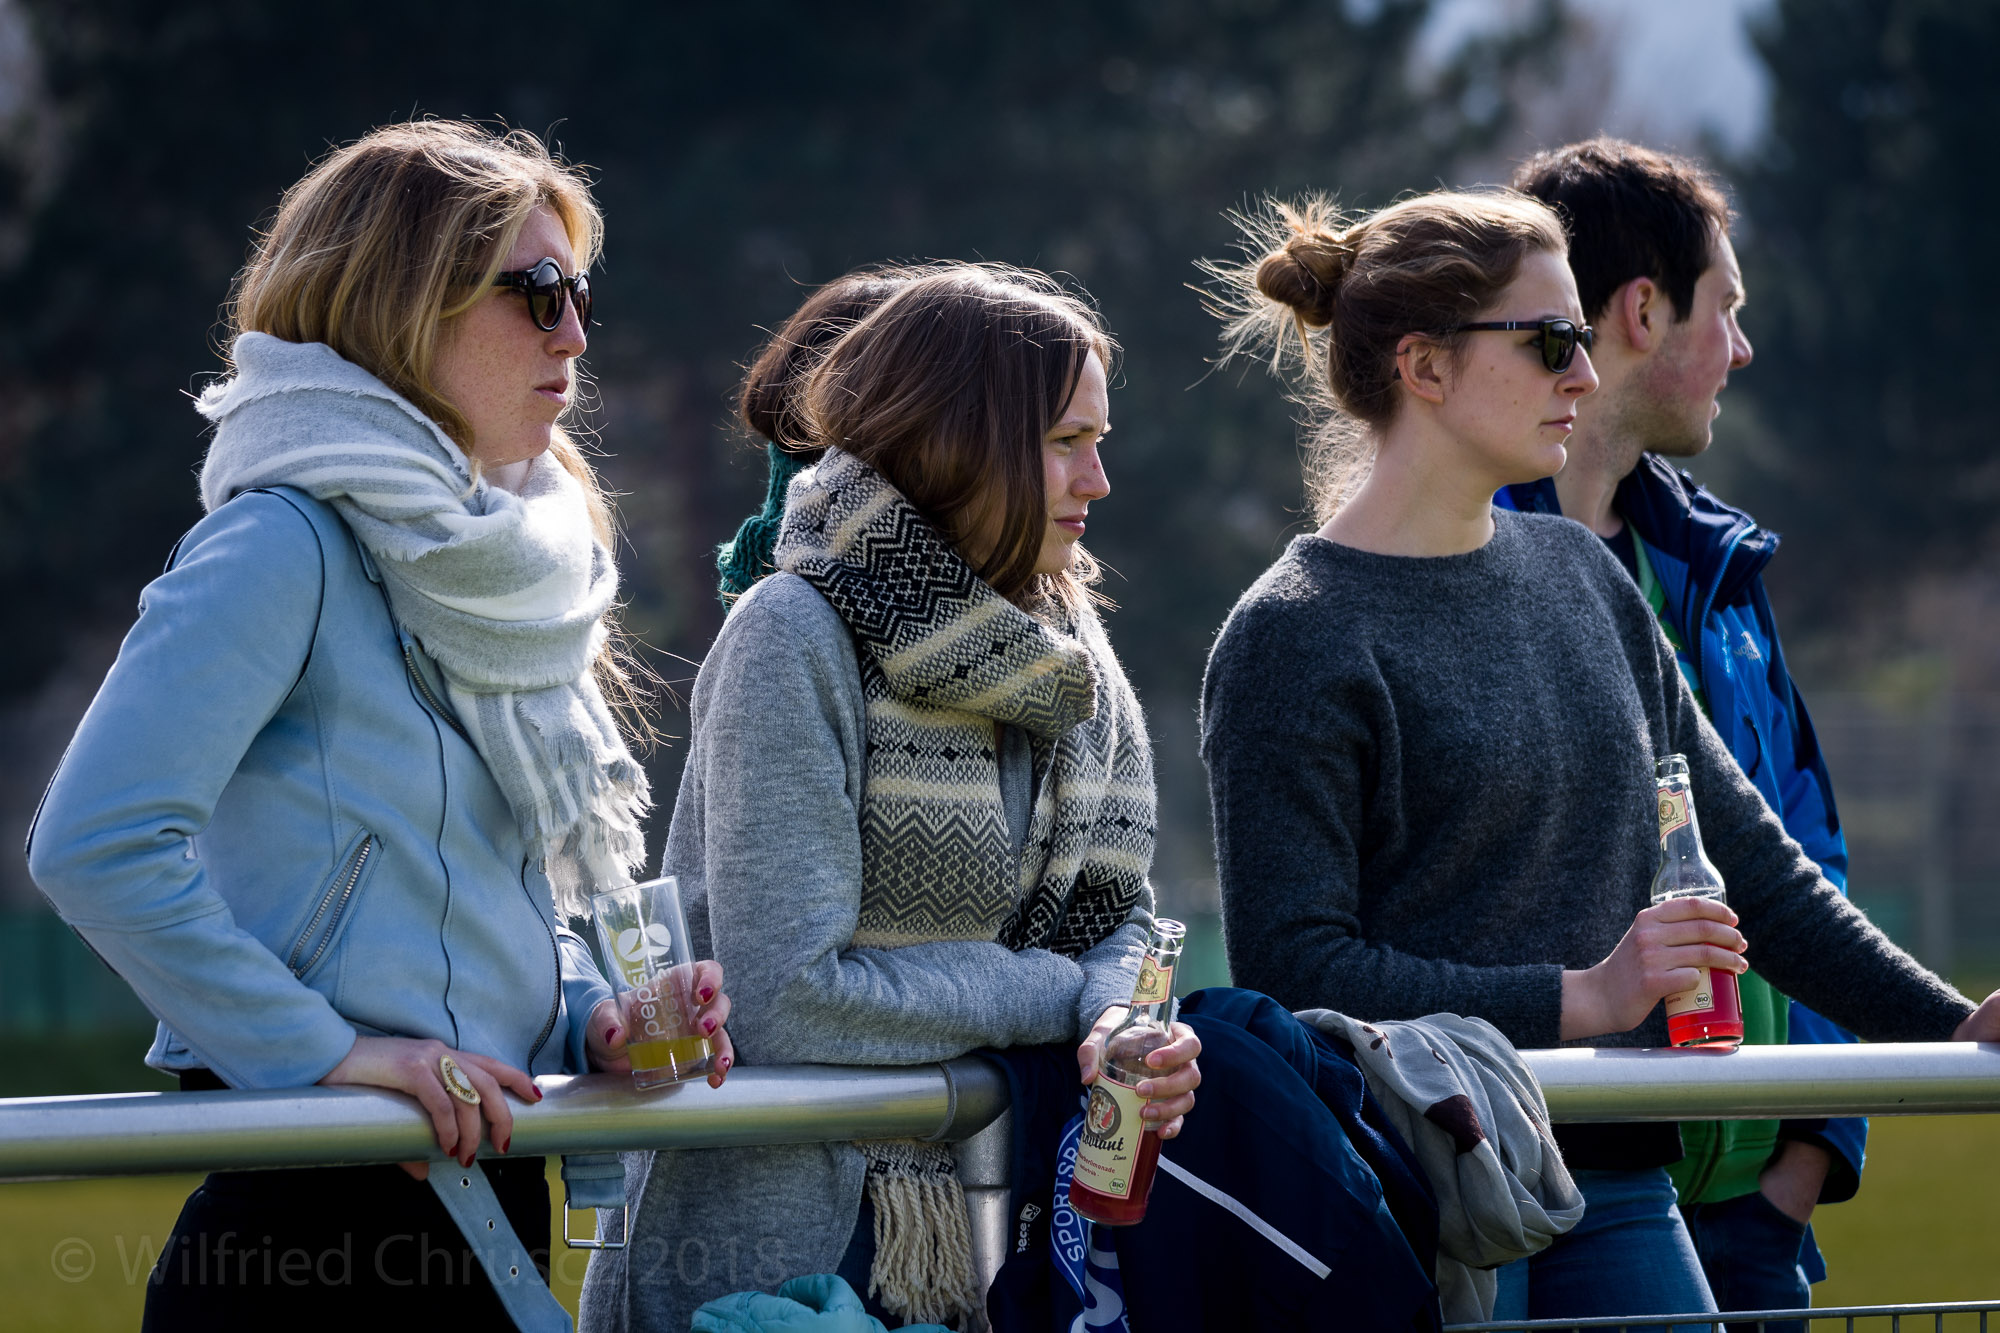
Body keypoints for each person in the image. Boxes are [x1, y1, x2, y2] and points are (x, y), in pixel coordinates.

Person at [1195, 189, 2000, 1327]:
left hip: (1617, 1178)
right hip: (1414, 1194)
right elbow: (1294, 968)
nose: (1583, 373)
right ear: (1422, 367)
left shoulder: (1582, 579)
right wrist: (1585, 998)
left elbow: (1756, 873)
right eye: (1549, 341)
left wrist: (1953, 1026)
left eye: (1579, 337)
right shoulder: (1291, 634)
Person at [25, 120, 733, 1328]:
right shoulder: (280, 542)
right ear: (403, 303)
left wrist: (590, 1019)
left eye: (581, 296)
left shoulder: (509, 566)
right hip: (307, 1217)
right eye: (538, 292)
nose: (573, 333)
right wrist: (326, 1055)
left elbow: (475, 895)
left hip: (484, 1192)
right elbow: (93, 844)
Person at [579, 265, 1201, 1333]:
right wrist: (1058, 996)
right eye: (1065, 441)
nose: (1098, 479)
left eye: (1098, 440)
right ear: (958, 443)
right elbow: (789, 999)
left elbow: (1119, 916)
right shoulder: (790, 634)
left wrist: (1116, 1018)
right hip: (779, 1258)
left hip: (1000, 1242)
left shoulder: (1066, 660)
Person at [1497, 136, 1864, 1326]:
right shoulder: (1453, 561)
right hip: (1551, 1198)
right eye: (1726, 308)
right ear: (1641, 311)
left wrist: (1805, 1156)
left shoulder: (1717, 569)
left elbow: (1802, 854)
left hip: (1754, 1209)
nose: (1741, 349)